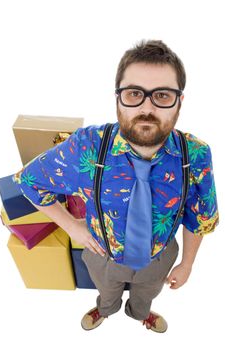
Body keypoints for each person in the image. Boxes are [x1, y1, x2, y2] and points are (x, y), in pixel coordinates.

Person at [13, 39, 219, 333]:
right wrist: (72, 226)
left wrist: (187, 264)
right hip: (101, 254)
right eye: (135, 93)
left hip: (159, 257)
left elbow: (200, 218)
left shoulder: (196, 155)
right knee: (106, 291)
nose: (147, 107)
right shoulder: (88, 147)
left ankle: (140, 313)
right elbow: (30, 181)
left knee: (147, 293)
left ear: (179, 101)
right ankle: (105, 309)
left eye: (162, 95)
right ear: (118, 98)